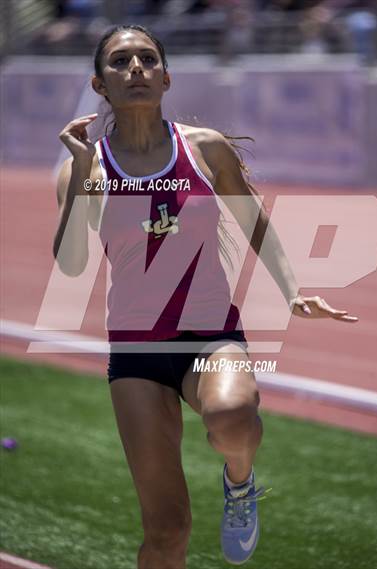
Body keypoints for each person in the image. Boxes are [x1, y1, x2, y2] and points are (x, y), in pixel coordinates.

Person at [54, 24, 358, 569]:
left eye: (148, 59)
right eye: (121, 62)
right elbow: (73, 263)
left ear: (167, 77)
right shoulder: (88, 167)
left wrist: (292, 291)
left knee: (234, 412)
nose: (137, 69)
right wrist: (80, 175)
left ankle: (239, 486)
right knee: (167, 532)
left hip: (211, 333)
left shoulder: (205, 149)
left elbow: (254, 221)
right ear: (100, 85)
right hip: (135, 351)